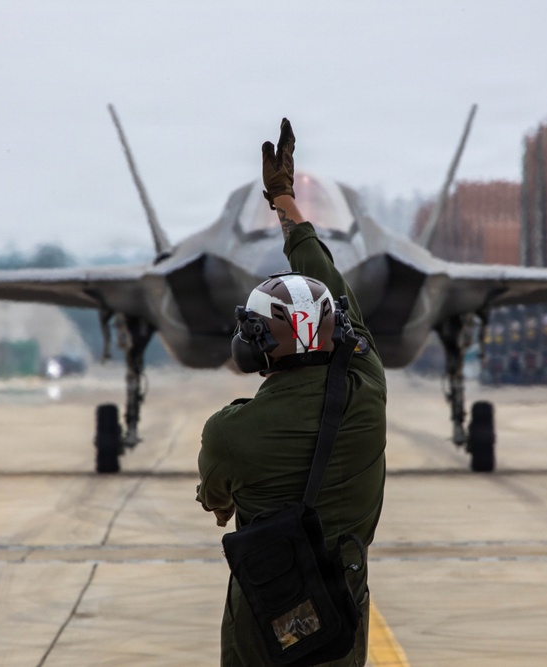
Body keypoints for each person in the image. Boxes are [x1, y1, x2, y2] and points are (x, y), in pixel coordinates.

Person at [196, 118, 387, 666]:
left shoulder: (231, 432)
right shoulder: (367, 383)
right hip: (342, 611)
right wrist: (287, 202)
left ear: (256, 348)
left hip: (265, 618)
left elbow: (216, 499)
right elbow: (336, 287)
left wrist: (278, 197)